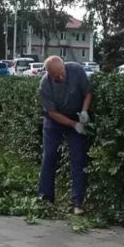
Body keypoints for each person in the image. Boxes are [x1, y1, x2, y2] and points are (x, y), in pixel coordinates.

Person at [38, 55, 92, 214]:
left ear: (64, 67)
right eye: (56, 76)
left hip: (76, 115)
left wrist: (84, 111)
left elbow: (88, 92)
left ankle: (78, 203)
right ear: (49, 74)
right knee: (49, 157)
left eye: (62, 73)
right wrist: (74, 125)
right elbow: (53, 113)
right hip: (54, 121)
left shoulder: (76, 70)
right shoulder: (45, 85)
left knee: (78, 158)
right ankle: (45, 198)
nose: (60, 77)